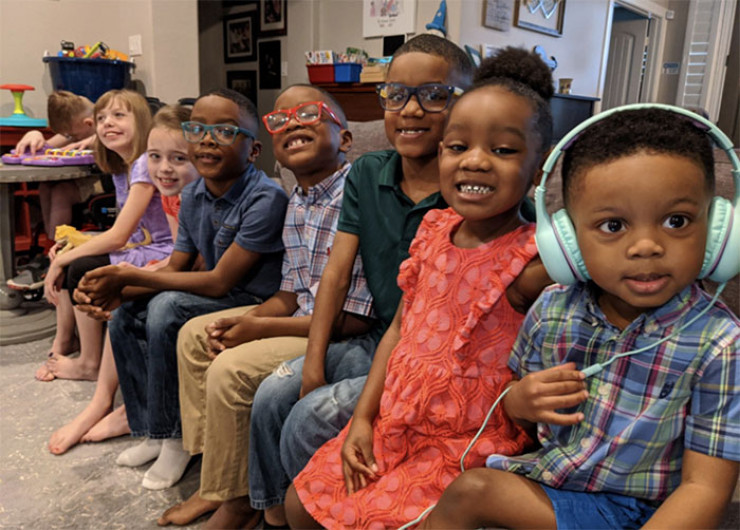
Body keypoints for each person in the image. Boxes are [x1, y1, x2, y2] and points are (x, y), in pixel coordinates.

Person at [420, 107, 740, 529]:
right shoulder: (553, 310)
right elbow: (516, 408)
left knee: (472, 493)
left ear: (719, 229)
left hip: (642, 512)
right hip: (550, 486)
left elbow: (705, 488)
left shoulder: (720, 342)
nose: (646, 246)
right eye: (613, 226)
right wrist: (519, 401)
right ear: (566, 240)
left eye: (676, 221)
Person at [284, 47, 556, 529]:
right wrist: (363, 417)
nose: (475, 162)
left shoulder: (533, 261)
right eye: (458, 147)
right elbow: (399, 331)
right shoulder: (433, 230)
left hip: (463, 441)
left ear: (539, 170)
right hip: (397, 419)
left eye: (503, 150)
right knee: (300, 506)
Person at [248, 33, 474, 528]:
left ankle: (330, 514)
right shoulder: (368, 172)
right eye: (396, 94)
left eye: (434, 95)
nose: (411, 109)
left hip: (429, 357)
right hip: (378, 338)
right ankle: (275, 515)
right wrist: (313, 365)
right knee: (273, 396)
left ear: (465, 103)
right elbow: (335, 273)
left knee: (309, 418)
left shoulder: (472, 187)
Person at [156, 84, 376, 529]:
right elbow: (289, 295)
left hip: (343, 332)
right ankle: (218, 477)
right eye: (280, 121)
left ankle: (241, 500)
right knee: (197, 334)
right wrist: (248, 319)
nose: (292, 124)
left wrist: (257, 329)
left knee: (231, 370)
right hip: (303, 318)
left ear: (346, 139)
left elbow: (352, 319)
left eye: (308, 114)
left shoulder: (357, 195)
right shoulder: (298, 203)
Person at [74, 88, 288, 492]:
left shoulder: (266, 198)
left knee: (166, 307)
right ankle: (151, 430)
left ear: (254, 149)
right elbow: (176, 265)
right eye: (197, 130)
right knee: (125, 315)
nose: (207, 140)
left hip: (255, 299)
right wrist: (118, 293)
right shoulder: (193, 194)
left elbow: (220, 281)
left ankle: (176, 439)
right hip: (218, 292)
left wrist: (126, 277)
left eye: (224, 131)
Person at [47, 104, 200, 455]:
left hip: (185, 270)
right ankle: (108, 399)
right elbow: (176, 248)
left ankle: (113, 402)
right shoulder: (159, 183)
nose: (165, 167)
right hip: (167, 259)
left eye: (177, 158)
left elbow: (186, 258)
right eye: (101, 118)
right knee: (100, 282)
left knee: (107, 285)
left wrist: (134, 275)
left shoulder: (167, 179)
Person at [36, 89, 174, 383]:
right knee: (67, 253)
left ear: (141, 121)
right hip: (143, 243)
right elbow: (126, 232)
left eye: (119, 115)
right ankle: (65, 340)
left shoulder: (143, 164)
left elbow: (119, 236)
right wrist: (70, 248)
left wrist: (64, 260)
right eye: (101, 118)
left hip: (163, 250)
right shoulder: (121, 167)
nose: (108, 123)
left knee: (80, 266)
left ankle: (89, 363)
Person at [10, 91, 99, 266]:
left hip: (105, 181)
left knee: (61, 192)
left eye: (73, 135)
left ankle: (55, 249)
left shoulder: (105, 129)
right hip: (85, 178)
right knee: (46, 186)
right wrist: (35, 135)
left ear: (89, 123)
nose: (71, 138)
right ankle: (48, 246)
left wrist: (93, 141)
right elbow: (47, 148)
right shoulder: (76, 129)